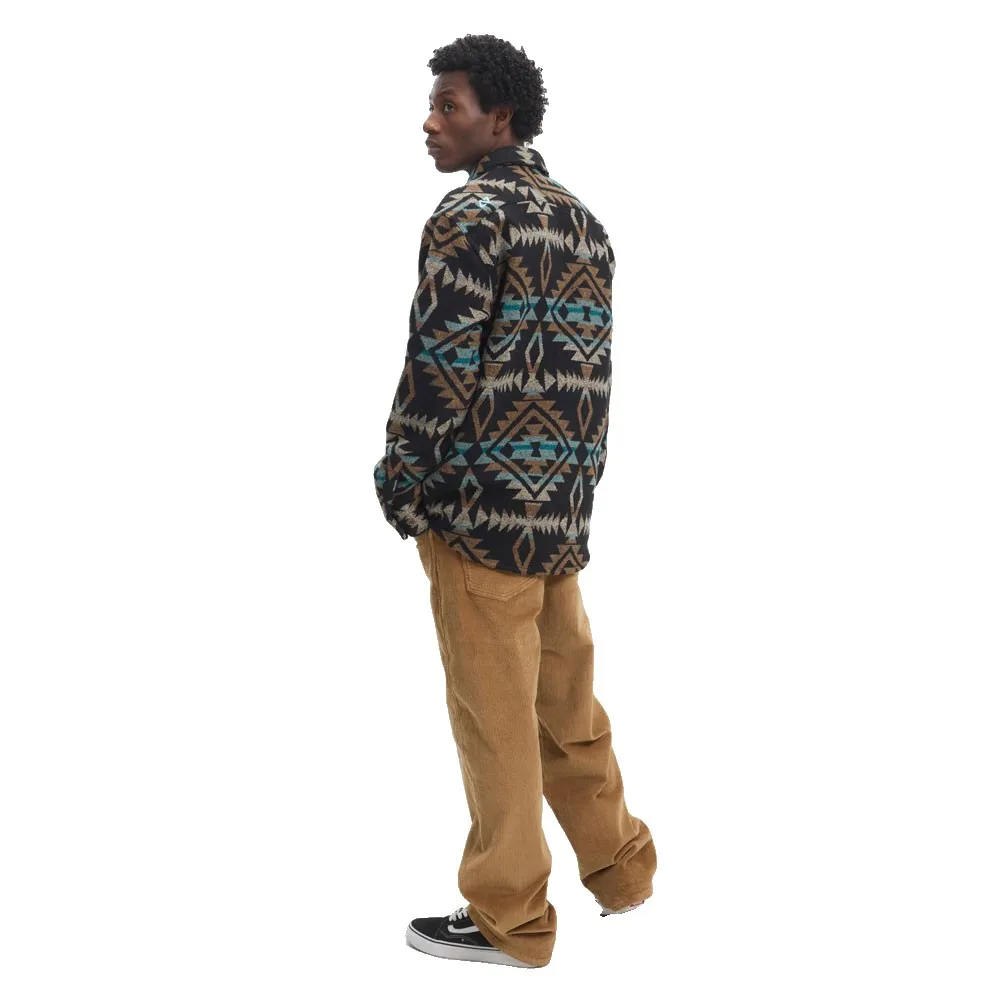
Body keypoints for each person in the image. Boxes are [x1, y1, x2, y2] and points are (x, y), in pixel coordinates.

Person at [373, 33, 656, 969]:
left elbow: (439, 369)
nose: (429, 122)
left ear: (500, 117)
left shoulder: (469, 215)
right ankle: (621, 869)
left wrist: (402, 481)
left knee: (495, 724)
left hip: (477, 515)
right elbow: (592, 377)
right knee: (566, 708)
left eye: (448, 105)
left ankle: (512, 920)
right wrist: (574, 496)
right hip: (558, 515)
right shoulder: (583, 222)